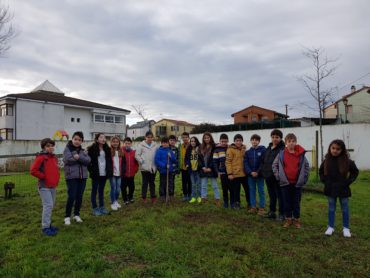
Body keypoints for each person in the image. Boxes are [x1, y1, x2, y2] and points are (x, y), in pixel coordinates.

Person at [319, 139, 359, 237]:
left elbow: (355, 172)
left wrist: (347, 182)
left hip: (343, 189)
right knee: (331, 208)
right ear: (330, 148)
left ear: (342, 150)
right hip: (330, 188)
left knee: (345, 208)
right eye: (333, 148)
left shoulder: (347, 161)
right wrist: (325, 181)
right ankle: (330, 227)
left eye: (338, 149)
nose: (335, 150)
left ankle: (346, 228)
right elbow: (320, 172)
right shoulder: (326, 160)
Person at [272, 133, 309, 228]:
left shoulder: (301, 154)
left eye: (293, 141)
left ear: (296, 142)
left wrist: (304, 178)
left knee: (296, 203)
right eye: (289, 141)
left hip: (297, 184)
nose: (291, 143)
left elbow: (306, 166)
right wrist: (278, 176)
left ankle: (297, 220)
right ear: (286, 142)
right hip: (285, 183)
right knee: (287, 202)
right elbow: (274, 165)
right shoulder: (281, 154)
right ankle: (288, 219)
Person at [30, 138, 60, 236]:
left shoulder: (54, 158)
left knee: (50, 206)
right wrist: (44, 177)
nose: (50, 147)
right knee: (48, 206)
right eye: (48, 146)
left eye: (52, 145)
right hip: (44, 186)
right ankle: (45, 227)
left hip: (53, 186)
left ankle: (49, 224)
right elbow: (33, 170)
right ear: (43, 147)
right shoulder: (41, 157)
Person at [63, 131, 91, 225]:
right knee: (71, 196)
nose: (77, 141)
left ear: (82, 141)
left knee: (79, 196)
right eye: (75, 139)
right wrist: (79, 158)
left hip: (82, 177)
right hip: (71, 177)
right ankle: (67, 216)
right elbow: (67, 160)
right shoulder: (68, 149)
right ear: (72, 139)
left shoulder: (83, 151)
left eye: (79, 140)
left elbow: (88, 161)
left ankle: (76, 215)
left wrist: (77, 157)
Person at [261, 129, 285, 220]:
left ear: (280, 138)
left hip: (277, 177)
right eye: (273, 137)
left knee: (280, 196)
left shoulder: (282, 149)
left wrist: (278, 174)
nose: (275, 139)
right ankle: (272, 212)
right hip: (267, 176)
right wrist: (263, 171)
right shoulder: (268, 148)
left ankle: (282, 213)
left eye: (277, 137)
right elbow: (263, 161)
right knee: (271, 195)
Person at [88, 133, 113, 216]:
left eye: (104, 137)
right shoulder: (92, 149)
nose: (103, 139)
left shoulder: (107, 149)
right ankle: (95, 208)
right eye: (101, 137)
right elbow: (88, 162)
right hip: (96, 173)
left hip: (104, 173)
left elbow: (109, 161)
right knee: (94, 191)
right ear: (97, 139)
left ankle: (102, 207)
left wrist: (109, 171)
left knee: (101, 191)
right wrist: (91, 170)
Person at [244, 134, 266, 215]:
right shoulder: (247, 152)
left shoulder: (263, 150)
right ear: (251, 141)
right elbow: (245, 163)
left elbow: (263, 163)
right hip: (250, 176)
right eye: (253, 140)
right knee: (252, 191)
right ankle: (253, 207)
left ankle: (262, 208)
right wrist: (250, 172)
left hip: (260, 176)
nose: (254, 141)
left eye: (256, 140)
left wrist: (258, 172)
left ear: (259, 141)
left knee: (261, 191)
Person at [135, 131, 159, 203]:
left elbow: (158, 154)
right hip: (144, 168)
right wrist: (142, 161)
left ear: (153, 138)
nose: (150, 138)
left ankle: (153, 197)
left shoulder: (155, 145)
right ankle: (144, 197)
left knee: (152, 183)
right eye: (148, 137)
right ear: (145, 137)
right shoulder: (141, 145)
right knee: (145, 183)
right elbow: (137, 155)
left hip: (153, 167)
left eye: (151, 137)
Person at [226, 134, 248, 209]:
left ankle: (250, 204)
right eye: (237, 141)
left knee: (247, 190)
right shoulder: (230, 149)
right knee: (236, 190)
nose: (238, 142)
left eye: (240, 141)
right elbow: (228, 162)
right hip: (235, 174)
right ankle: (237, 204)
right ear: (234, 141)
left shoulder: (244, 148)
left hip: (245, 174)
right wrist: (230, 173)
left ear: (242, 141)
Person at [199, 132, 220, 205]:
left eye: (208, 137)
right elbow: (199, 159)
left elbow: (214, 159)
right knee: (203, 186)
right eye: (205, 138)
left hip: (212, 169)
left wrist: (210, 168)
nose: (206, 139)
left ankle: (217, 199)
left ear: (210, 138)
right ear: (203, 139)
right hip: (203, 169)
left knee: (215, 185)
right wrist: (203, 167)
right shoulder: (201, 147)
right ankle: (204, 198)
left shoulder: (214, 146)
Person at [155, 137, 177, 201]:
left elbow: (175, 161)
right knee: (162, 183)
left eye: (166, 143)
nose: (165, 144)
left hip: (170, 170)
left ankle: (170, 194)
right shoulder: (159, 151)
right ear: (161, 143)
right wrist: (164, 165)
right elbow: (157, 160)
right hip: (163, 171)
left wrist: (171, 157)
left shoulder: (169, 151)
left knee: (170, 183)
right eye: (163, 143)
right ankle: (162, 195)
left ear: (168, 143)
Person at [213, 133, 230, 208]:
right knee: (224, 188)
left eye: (225, 141)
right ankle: (225, 203)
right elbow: (215, 162)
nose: (224, 143)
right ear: (220, 141)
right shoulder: (216, 150)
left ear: (228, 141)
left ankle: (233, 202)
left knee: (232, 188)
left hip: (231, 172)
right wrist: (218, 172)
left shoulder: (231, 148)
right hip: (222, 172)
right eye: (222, 141)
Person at [109, 136, 125, 211]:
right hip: (112, 174)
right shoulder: (109, 151)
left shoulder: (121, 151)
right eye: (114, 142)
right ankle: (113, 202)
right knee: (113, 188)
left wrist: (123, 170)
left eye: (117, 142)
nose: (115, 143)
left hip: (119, 173)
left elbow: (123, 163)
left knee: (118, 189)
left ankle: (116, 201)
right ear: (111, 142)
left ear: (119, 143)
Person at [121, 137, 139, 205]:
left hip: (131, 174)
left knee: (132, 187)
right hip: (124, 174)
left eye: (129, 143)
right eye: (126, 143)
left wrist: (135, 170)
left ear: (131, 144)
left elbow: (136, 163)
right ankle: (125, 199)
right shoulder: (121, 151)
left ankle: (130, 197)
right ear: (123, 143)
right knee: (123, 187)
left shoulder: (133, 152)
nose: (127, 145)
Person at [186, 136, 202, 204]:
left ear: (196, 142)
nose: (193, 142)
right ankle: (193, 197)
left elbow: (202, 157)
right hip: (191, 170)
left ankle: (199, 197)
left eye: (194, 141)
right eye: (191, 141)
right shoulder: (188, 149)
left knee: (198, 184)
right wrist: (187, 164)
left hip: (198, 170)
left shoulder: (199, 148)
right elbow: (186, 158)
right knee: (193, 184)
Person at [179, 132, 192, 201]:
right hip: (183, 167)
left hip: (190, 167)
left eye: (186, 137)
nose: (185, 139)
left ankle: (190, 195)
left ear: (188, 138)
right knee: (184, 182)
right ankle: (185, 195)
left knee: (190, 181)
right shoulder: (180, 146)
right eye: (183, 137)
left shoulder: (191, 145)